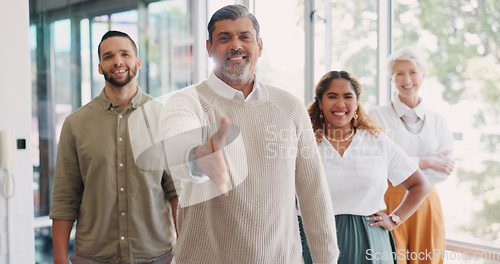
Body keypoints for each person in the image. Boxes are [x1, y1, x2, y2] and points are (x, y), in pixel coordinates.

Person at [161, 5, 338, 264]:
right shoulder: (186, 102)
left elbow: (314, 194)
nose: (236, 45)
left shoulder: (289, 107)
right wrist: (197, 158)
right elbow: (175, 145)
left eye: (245, 37)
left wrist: (328, 260)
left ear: (260, 46)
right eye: (224, 38)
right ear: (209, 47)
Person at [50, 30, 178, 264]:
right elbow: (65, 198)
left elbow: (176, 192)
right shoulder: (75, 124)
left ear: (137, 62)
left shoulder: (164, 118)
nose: (117, 61)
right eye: (108, 56)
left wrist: (187, 248)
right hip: (93, 257)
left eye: (124, 54)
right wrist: (59, 257)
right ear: (100, 67)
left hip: (156, 256)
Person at [305, 70, 431, 263]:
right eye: (332, 97)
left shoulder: (377, 141)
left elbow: (420, 185)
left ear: (356, 103)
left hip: (369, 241)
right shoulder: (304, 141)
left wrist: (395, 219)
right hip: (313, 240)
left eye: (348, 97)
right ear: (320, 103)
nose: (340, 104)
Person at [370, 47, 455, 264]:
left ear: (423, 74)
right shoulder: (376, 116)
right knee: (390, 258)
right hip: (389, 202)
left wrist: (404, 167)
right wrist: (427, 161)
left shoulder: (438, 121)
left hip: (427, 203)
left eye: (413, 72)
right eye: (399, 73)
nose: (407, 79)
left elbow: (443, 170)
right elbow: (378, 163)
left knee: (428, 258)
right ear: (391, 77)